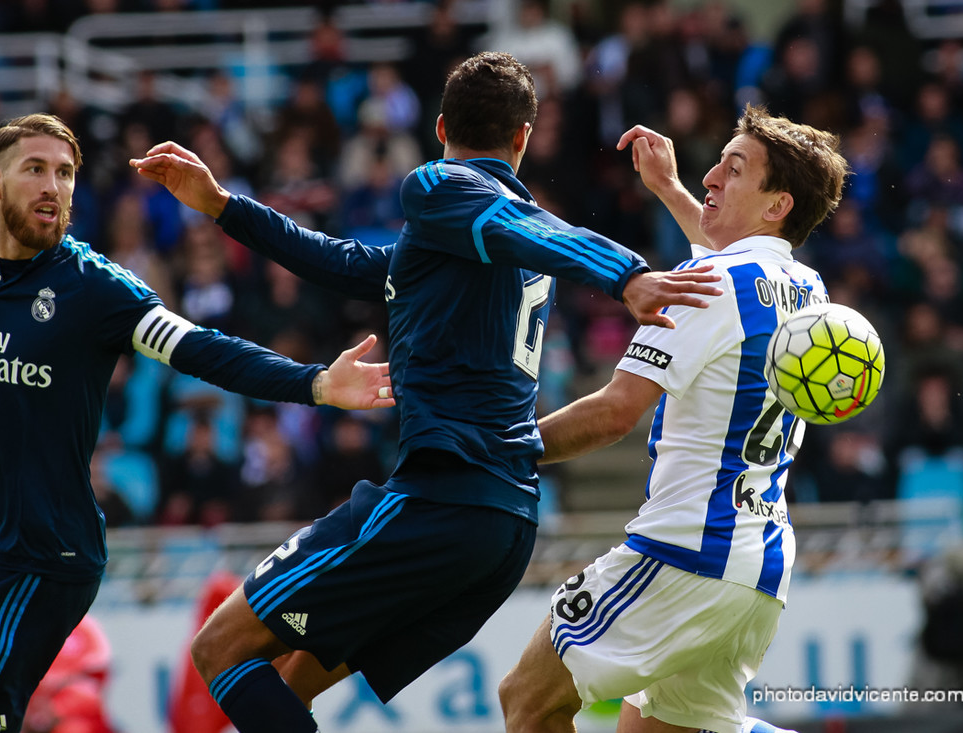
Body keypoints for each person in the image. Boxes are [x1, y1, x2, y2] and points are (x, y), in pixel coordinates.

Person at [130, 51, 722, 733]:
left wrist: (625, 275)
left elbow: (518, 223)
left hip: (441, 502)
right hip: (504, 528)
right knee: (289, 682)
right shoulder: (484, 253)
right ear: (523, 137)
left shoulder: (442, 187)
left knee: (220, 648)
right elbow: (345, 261)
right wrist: (223, 206)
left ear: (440, 126)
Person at [0, 113, 394, 733]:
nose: (53, 185)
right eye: (36, 170)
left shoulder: (95, 289)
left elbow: (203, 348)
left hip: (42, 559)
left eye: (65, 173)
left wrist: (316, 382)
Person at [497, 104, 849, 733]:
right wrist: (668, 187)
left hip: (685, 551)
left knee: (528, 699)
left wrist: (498, 448)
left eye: (733, 170)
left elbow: (613, 414)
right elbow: (735, 265)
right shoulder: (809, 288)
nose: (711, 177)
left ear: (777, 205)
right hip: (757, 570)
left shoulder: (708, 280)